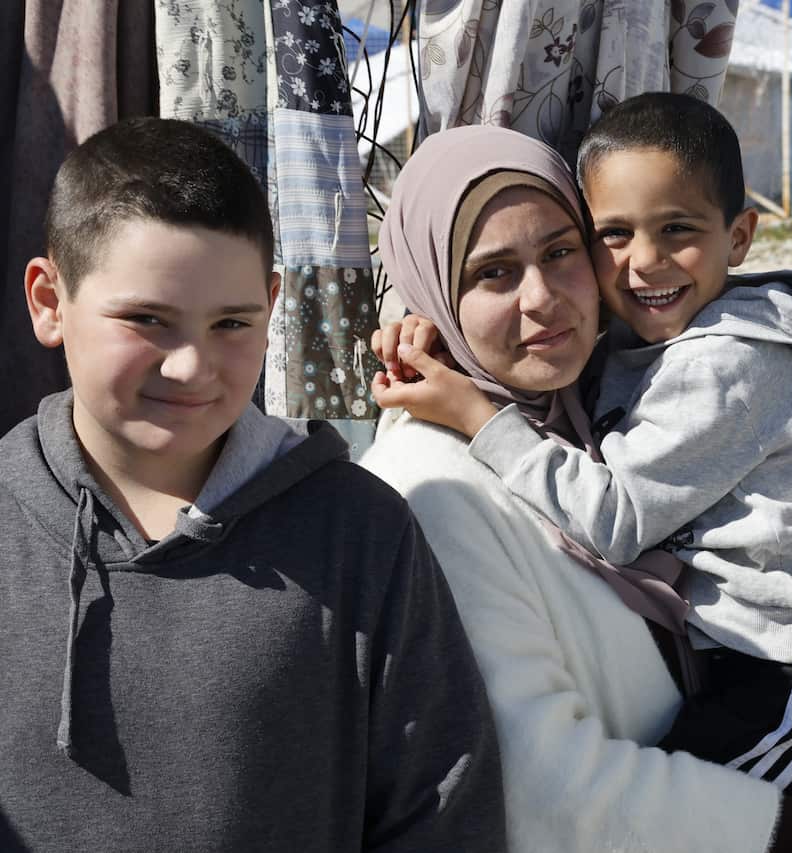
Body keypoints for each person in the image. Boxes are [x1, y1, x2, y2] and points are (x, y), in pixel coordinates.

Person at [361, 122, 792, 852]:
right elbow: (541, 780)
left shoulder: (585, 406)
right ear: (433, 293)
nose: (543, 298)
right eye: (493, 273)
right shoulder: (432, 487)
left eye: (560, 252)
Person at [0, 117, 504, 852]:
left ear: (272, 305)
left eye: (231, 323)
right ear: (50, 301)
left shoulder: (359, 533)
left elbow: (445, 810)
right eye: (147, 319)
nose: (192, 367)